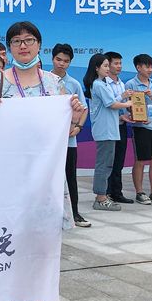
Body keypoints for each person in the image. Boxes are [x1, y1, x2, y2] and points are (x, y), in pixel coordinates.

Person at [0, 22, 86, 301]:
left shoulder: (54, 83)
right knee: (14, 239)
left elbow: (71, 126)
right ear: (9, 47)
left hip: (46, 174)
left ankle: (38, 298)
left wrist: (76, 114)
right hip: (11, 174)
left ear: (39, 45)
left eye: (29, 40)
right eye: (16, 41)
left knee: (43, 239)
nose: (23, 46)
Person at [83, 54, 133, 214]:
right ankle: (101, 198)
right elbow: (111, 104)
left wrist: (122, 99)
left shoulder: (101, 84)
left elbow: (111, 101)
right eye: (105, 66)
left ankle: (103, 195)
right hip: (105, 130)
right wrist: (128, 103)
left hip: (109, 129)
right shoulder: (98, 84)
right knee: (104, 165)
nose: (108, 68)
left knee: (107, 164)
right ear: (96, 68)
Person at [50, 43, 90, 227]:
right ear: (52, 59)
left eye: (66, 61)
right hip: (49, 141)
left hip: (68, 140)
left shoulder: (74, 84)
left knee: (70, 177)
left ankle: (74, 213)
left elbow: (83, 109)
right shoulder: (43, 80)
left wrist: (79, 127)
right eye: (58, 59)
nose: (61, 64)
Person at [124, 54, 152, 205]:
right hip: (141, 127)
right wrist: (137, 115)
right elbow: (127, 106)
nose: (150, 70)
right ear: (138, 67)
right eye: (146, 66)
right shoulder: (131, 84)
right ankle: (140, 192)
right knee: (141, 160)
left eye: (151, 66)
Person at [104, 52, 134, 204]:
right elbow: (109, 104)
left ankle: (117, 192)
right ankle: (105, 192)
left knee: (119, 161)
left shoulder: (121, 83)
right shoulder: (103, 84)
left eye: (120, 63)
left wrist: (132, 112)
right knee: (108, 161)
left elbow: (123, 105)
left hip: (121, 125)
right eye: (116, 63)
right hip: (109, 126)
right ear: (107, 65)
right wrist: (122, 97)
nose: (119, 66)